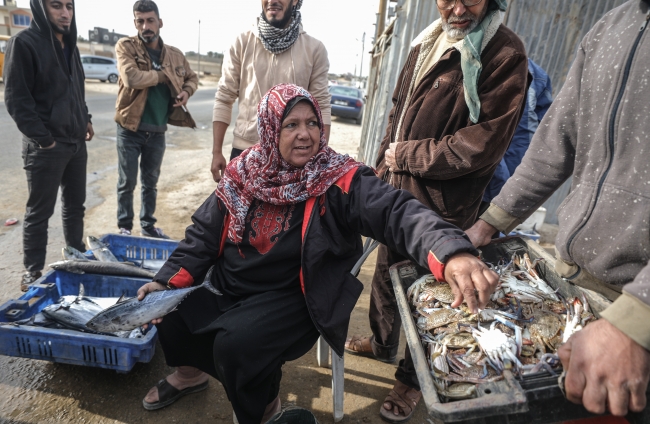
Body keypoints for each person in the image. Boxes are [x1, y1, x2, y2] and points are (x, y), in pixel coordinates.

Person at [137, 84, 499, 424]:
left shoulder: (338, 177)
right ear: (269, 131)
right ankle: (190, 374)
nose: (305, 134)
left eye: (312, 123)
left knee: (237, 346)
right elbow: (202, 235)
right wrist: (164, 281)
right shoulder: (243, 172)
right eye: (290, 124)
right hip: (231, 284)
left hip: (296, 295)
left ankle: (265, 409)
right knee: (170, 309)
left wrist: (451, 252)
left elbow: (396, 211)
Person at [343, 0, 529, 420]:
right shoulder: (427, 41)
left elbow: (481, 144)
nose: (458, 8)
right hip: (396, 192)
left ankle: (411, 380)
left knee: (434, 299)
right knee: (388, 281)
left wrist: (405, 155)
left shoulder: (504, 53)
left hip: (447, 208)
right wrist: (381, 167)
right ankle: (383, 343)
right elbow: (398, 111)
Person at [466, 0, 650, 417]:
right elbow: (554, 144)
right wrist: (489, 223)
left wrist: (638, 322)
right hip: (575, 288)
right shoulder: (610, 26)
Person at [4, 0, 93, 291]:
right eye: (56, 6)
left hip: (76, 142)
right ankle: (32, 271)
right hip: (46, 148)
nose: (65, 13)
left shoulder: (70, 45)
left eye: (69, 6)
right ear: (41, 8)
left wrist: (86, 118)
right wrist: (45, 140)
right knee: (39, 213)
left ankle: (75, 255)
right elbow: (17, 100)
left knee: (74, 207)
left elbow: (75, 89)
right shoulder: (23, 43)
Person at [210, 0, 331, 182]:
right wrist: (216, 151)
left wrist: (319, 157)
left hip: (292, 158)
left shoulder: (314, 49)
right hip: (244, 151)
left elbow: (321, 106)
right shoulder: (241, 42)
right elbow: (224, 97)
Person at [114, 0, 198, 238]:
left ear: (160, 22)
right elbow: (131, 78)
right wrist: (163, 76)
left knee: (150, 183)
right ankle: (125, 227)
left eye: (150, 20)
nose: (146, 26)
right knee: (127, 182)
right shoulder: (126, 46)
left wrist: (186, 92)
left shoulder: (175, 55)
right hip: (129, 127)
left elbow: (192, 78)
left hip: (158, 129)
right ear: (135, 23)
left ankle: (148, 225)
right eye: (140, 21)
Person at [482, 58, 553, 206]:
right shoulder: (536, 72)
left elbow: (545, 129)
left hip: (492, 177)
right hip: (500, 179)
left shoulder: (535, 74)